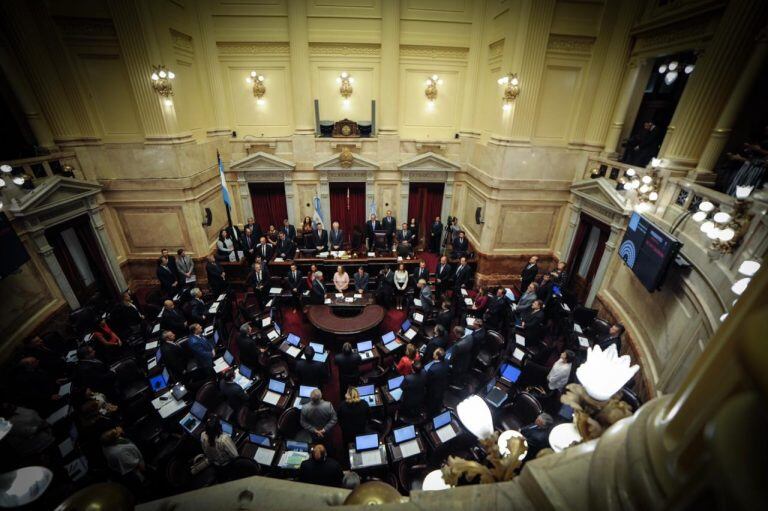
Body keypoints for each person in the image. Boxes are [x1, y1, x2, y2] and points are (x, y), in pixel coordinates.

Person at [425, 348, 450, 415]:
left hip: (433, 389)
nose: (433, 353)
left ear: (437, 356)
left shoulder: (432, 369)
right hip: (443, 385)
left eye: (434, 353)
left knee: (432, 403)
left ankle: (430, 415)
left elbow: (427, 381)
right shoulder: (447, 361)